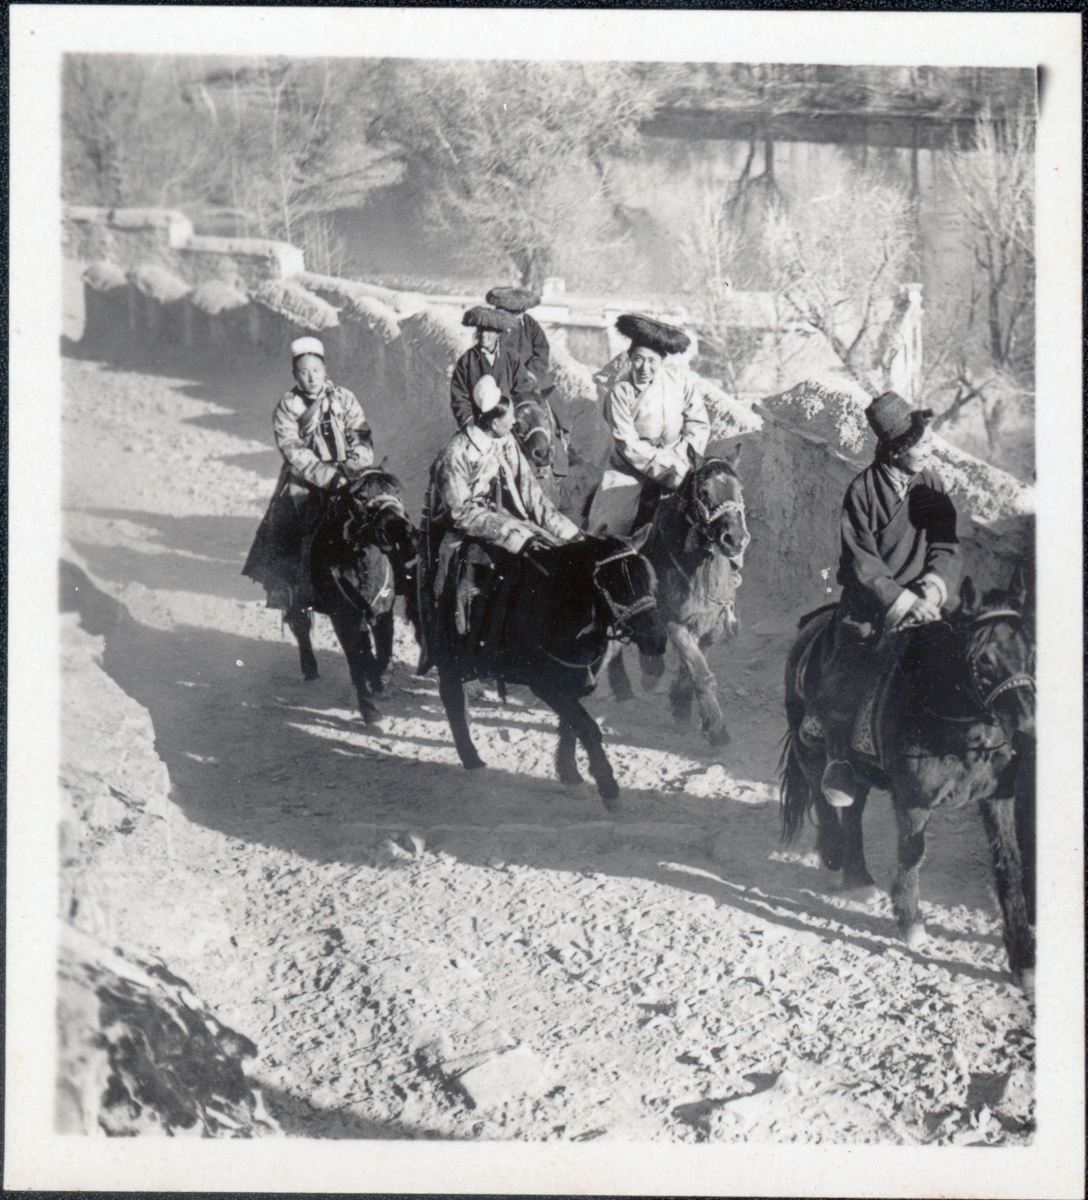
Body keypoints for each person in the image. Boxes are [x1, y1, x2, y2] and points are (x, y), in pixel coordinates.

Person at [811, 391, 962, 807]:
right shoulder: (861, 491)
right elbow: (863, 562)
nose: (930, 451)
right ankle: (839, 759)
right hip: (873, 604)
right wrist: (901, 601)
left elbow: (946, 542)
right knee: (850, 664)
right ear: (897, 449)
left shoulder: (931, 483)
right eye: (922, 445)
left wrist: (933, 585)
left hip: (926, 597)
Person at [421, 376, 581, 662]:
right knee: (458, 588)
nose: (515, 424)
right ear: (493, 424)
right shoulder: (455, 452)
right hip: (466, 527)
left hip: (504, 519)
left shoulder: (505, 441)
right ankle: (455, 647)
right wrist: (509, 530)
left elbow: (532, 496)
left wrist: (571, 535)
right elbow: (461, 512)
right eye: (510, 419)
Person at [243, 337, 374, 611]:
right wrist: (328, 476)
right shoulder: (287, 407)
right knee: (286, 524)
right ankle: (288, 589)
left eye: (316, 369)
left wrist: (354, 466)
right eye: (303, 371)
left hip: (349, 471)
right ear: (295, 375)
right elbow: (293, 449)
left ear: (325, 369)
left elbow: (360, 433)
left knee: (379, 510)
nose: (311, 377)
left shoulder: (344, 397)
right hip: (306, 478)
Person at [586, 313, 709, 537]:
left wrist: (683, 457)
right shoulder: (620, 392)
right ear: (630, 358)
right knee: (610, 523)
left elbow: (697, 422)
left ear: (661, 362)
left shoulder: (680, 381)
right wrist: (664, 467)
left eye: (652, 361)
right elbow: (626, 443)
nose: (645, 367)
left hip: (678, 460)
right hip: (630, 467)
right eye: (639, 359)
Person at [487, 284, 573, 478]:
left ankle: (562, 446)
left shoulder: (529, 324)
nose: (518, 316)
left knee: (556, 403)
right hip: (504, 381)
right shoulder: (492, 328)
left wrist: (532, 372)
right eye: (513, 312)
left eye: (520, 312)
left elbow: (542, 349)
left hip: (530, 377)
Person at [449, 306, 536, 431]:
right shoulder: (467, 360)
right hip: (478, 424)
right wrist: (469, 422)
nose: (484, 335)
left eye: (489, 330)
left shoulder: (512, 357)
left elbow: (521, 390)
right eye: (481, 330)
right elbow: (459, 396)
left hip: (507, 424)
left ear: (498, 333)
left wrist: (510, 417)